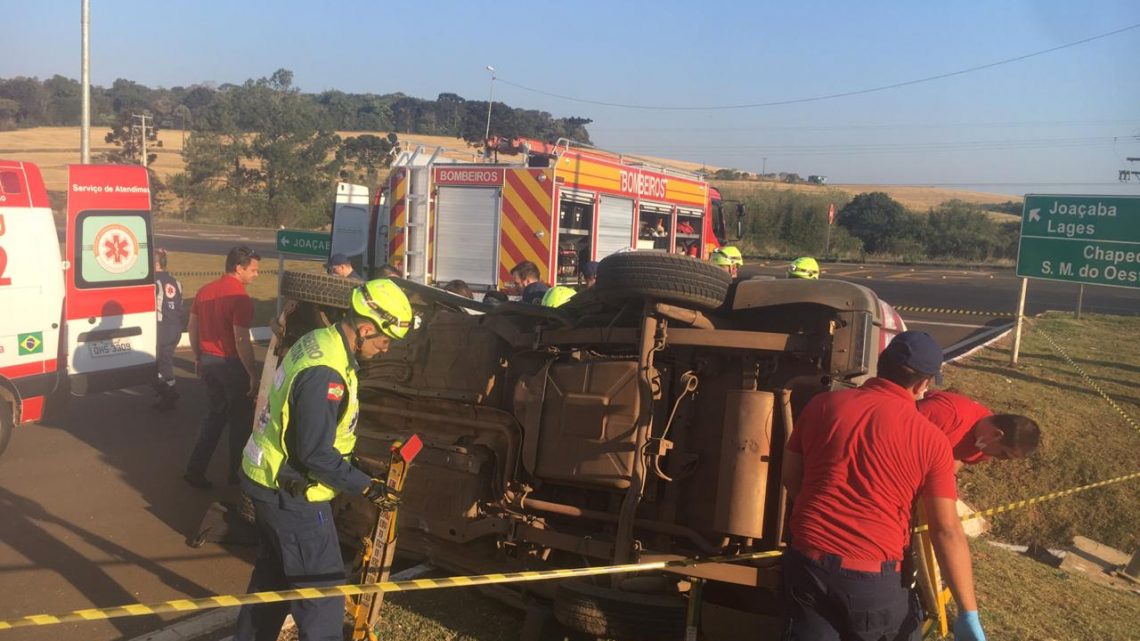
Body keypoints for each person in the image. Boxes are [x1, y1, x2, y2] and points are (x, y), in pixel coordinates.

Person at [236, 279, 413, 641]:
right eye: (383, 341)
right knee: (323, 599)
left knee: (274, 580)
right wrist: (366, 487)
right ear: (365, 329)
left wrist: (356, 469)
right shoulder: (326, 373)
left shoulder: (320, 341)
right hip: (294, 495)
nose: (385, 349)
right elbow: (313, 453)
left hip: (266, 479)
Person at [782, 331, 986, 641]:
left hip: (806, 561)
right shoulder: (932, 441)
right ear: (922, 384)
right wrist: (968, 612)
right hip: (870, 577)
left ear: (881, 364)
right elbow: (945, 529)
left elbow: (790, 475)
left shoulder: (823, 405)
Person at [185, 246, 261, 490]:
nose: (257, 275)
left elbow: (192, 327)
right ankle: (236, 474)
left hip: (208, 361)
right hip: (231, 365)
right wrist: (252, 374)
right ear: (239, 269)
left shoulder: (204, 291)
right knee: (240, 421)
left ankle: (195, 469)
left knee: (214, 417)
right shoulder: (240, 299)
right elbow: (241, 339)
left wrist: (198, 356)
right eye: (254, 270)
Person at [918, 391, 1041, 473]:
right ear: (996, 435)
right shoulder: (948, 413)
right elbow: (901, 419)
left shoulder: (985, 450)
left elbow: (959, 459)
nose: (1000, 459)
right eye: (1004, 454)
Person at [153, 249, 184, 412]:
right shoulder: (177, 282)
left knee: (160, 363)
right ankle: (165, 398)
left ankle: (170, 390)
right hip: (176, 327)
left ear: (156, 264)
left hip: (162, 327)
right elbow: (180, 306)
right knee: (165, 361)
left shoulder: (154, 282)